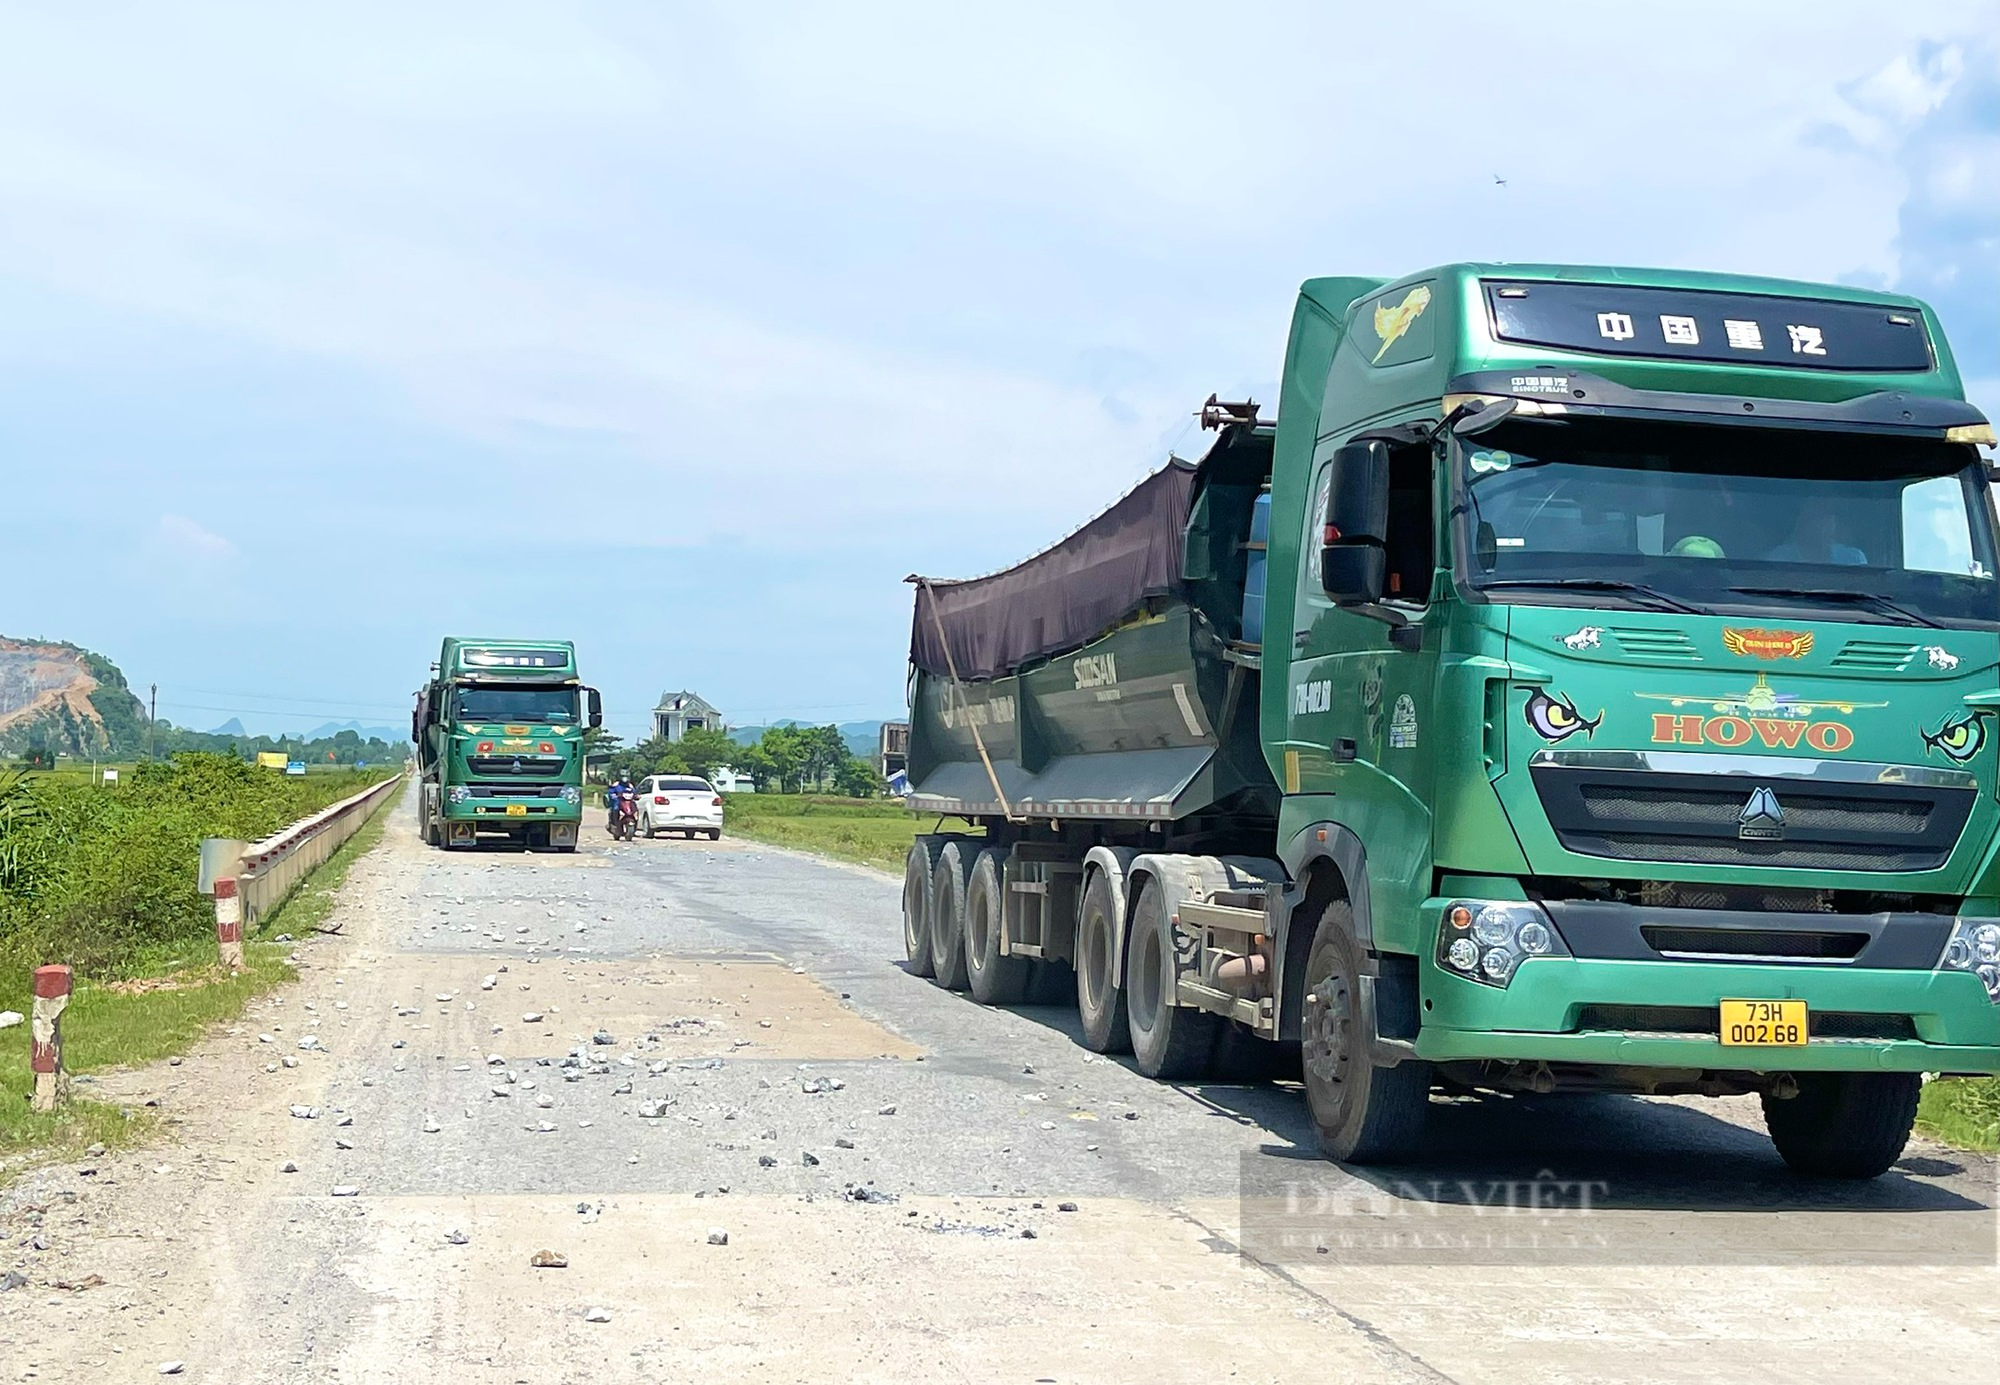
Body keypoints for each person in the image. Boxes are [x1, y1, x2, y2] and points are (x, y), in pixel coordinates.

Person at [1768, 497, 1867, 565]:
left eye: (1829, 517)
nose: (1825, 525)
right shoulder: (1778, 559)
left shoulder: (1854, 558)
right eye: (1818, 518)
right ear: (1802, 522)